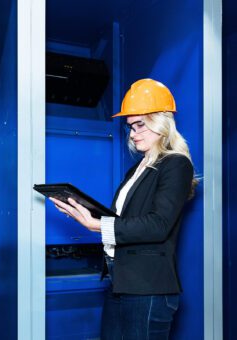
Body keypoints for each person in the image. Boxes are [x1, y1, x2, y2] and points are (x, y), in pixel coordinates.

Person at [49, 78, 197, 340]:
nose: (133, 133)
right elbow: (127, 222)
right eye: (130, 126)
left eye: (140, 125)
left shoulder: (176, 164)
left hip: (148, 288)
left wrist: (96, 225)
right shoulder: (137, 169)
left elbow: (158, 225)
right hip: (120, 282)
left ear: (161, 123)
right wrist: (83, 212)